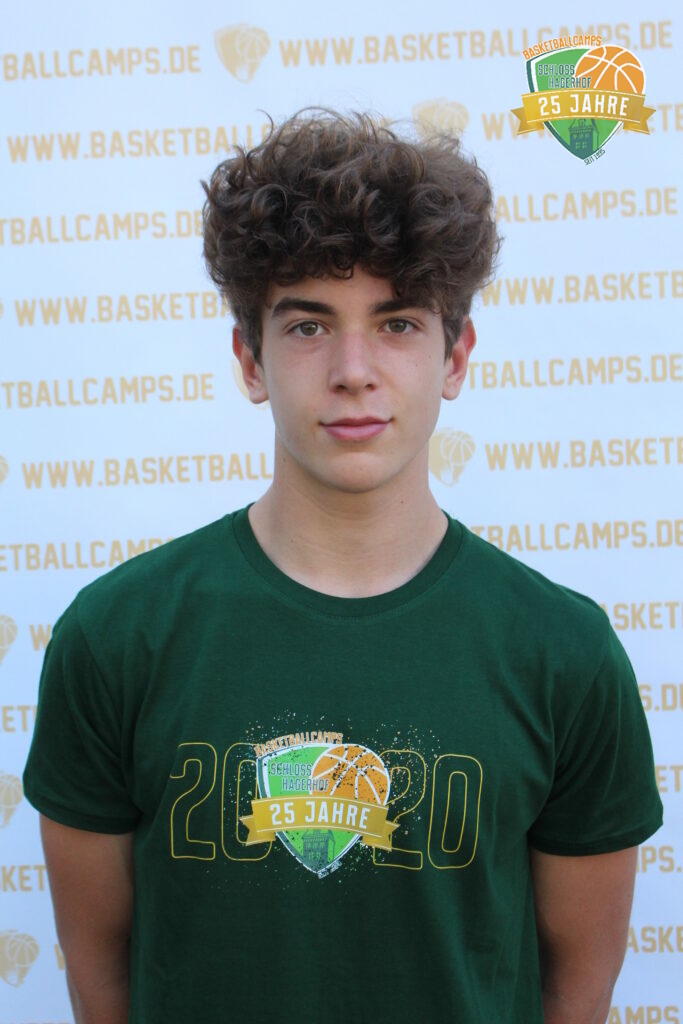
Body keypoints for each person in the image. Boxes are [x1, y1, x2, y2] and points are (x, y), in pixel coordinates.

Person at [24, 110, 662, 1024]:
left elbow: (576, 988)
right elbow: (101, 979)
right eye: (308, 326)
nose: (353, 369)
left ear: (455, 357)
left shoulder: (562, 652)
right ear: (250, 360)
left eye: (396, 322)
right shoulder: (117, 637)